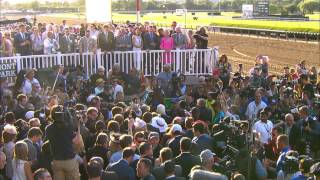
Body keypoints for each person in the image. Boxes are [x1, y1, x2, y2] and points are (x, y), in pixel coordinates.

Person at [45, 105, 81, 180]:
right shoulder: (68, 127)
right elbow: (77, 142)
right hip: (69, 160)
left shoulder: (48, 128)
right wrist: (78, 126)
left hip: (56, 161)